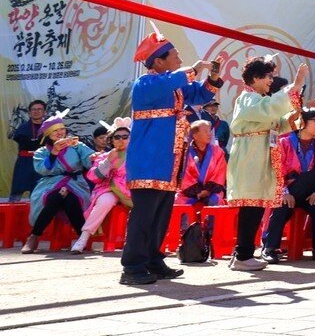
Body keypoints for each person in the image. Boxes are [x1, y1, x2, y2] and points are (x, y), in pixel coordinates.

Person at [121, 29, 222, 286]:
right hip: (148, 161)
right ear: (158, 61)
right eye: (175, 56)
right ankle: (132, 267)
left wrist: (213, 77)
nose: (180, 60)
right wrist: (195, 69)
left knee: (160, 216)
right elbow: (172, 82)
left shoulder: (174, 86)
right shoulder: (145, 84)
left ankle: (153, 260)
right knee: (144, 216)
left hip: (168, 162)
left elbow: (200, 94)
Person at [225, 56, 307, 271]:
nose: (271, 80)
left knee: (256, 205)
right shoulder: (247, 98)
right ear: (255, 78)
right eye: (268, 76)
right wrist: (294, 87)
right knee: (251, 205)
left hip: (257, 154)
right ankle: (243, 255)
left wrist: (293, 116)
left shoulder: (258, 100)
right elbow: (268, 110)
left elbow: (276, 123)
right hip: (250, 155)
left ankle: (243, 254)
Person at [262, 108, 315, 261]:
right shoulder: (284, 143)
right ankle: (270, 247)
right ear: (302, 122)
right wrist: (284, 192)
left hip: (310, 192)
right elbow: (276, 170)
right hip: (288, 190)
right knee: (281, 206)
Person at [21, 111, 95, 252]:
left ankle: (79, 238)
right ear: (47, 134)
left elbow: (89, 159)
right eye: (55, 130)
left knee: (71, 199)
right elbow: (43, 170)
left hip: (75, 183)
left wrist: (94, 157)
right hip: (50, 184)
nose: (60, 132)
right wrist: (54, 152)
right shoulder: (42, 152)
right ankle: (34, 236)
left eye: (62, 129)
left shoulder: (76, 145)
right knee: (55, 197)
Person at [74, 118, 132, 252]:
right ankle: (83, 238)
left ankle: (136, 242)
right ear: (112, 140)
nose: (121, 140)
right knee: (105, 201)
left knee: (146, 205)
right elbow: (93, 177)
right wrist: (108, 161)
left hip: (131, 189)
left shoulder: (137, 156)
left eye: (125, 137)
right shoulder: (104, 156)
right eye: (117, 137)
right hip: (109, 189)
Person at [176, 120, 227, 207]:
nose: (209, 134)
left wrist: (208, 190)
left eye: (209, 131)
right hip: (190, 191)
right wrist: (198, 192)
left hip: (212, 191)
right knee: (178, 201)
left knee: (215, 202)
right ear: (195, 135)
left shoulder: (218, 152)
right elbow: (185, 176)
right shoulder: (185, 153)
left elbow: (220, 173)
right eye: (205, 131)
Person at [8, 99, 48, 199]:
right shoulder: (22, 128)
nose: (36, 111)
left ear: (45, 112)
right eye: (33, 109)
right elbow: (18, 138)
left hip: (42, 162)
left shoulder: (50, 128)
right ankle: (12, 208)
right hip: (24, 162)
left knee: (39, 193)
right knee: (16, 192)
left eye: (39, 109)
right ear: (29, 113)